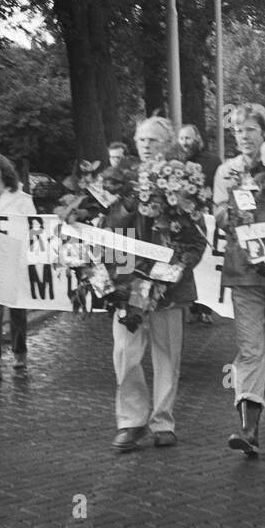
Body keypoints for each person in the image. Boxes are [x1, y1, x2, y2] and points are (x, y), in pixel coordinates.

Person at [106, 117, 207, 452]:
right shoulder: (121, 179)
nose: (146, 145)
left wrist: (176, 268)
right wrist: (127, 203)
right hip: (128, 274)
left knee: (167, 353)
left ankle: (163, 420)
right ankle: (131, 421)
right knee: (125, 352)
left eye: (153, 140)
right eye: (142, 139)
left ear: (167, 144)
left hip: (167, 279)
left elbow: (195, 234)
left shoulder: (182, 178)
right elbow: (110, 225)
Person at [212, 104, 265, 455]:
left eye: (249, 129)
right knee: (251, 349)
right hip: (244, 271)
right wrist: (231, 210)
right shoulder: (225, 171)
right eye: (236, 130)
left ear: (264, 132)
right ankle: (249, 427)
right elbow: (217, 213)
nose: (243, 136)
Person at [0, 153, 36, 379]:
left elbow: (35, 227)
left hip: (15, 258)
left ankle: (20, 355)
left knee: (17, 310)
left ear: (5, 171)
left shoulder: (21, 198)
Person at [177, 125, 221, 326]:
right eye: (182, 138)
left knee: (207, 264)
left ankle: (205, 308)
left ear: (197, 139)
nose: (185, 142)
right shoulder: (175, 161)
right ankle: (189, 304)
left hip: (206, 219)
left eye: (188, 138)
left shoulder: (212, 161)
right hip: (182, 220)